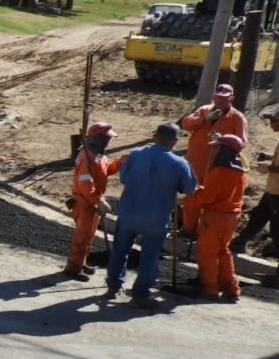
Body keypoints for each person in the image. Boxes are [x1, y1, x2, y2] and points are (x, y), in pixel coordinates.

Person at [104, 122, 197, 308]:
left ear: (155, 137)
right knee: (149, 256)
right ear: (175, 141)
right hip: (156, 218)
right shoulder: (180, 163)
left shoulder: (136, 154)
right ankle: (140, 295)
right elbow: (189, 188)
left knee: (120, 251)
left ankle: (114, 286)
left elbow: (123, 178)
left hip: (129, 212)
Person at [230, 104, 279, 289]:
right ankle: (238, 244)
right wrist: (270, 157)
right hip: (275, 189)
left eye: (273, 120)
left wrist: (270, 168)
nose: (270, 123)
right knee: (257, 218)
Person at [178, 82, 247, 234]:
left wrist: (224, 139)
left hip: (217, 166)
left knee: (210, 199)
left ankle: (203, 230)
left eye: (224, 98)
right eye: (217, 98)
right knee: (191, 197)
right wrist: (204, 119)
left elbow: (241, 142)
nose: (220, 101)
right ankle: (188, 228)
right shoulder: (204, 110)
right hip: (196, 163)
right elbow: (186, 124)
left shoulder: (237, 117)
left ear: (231, 99)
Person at [189, 133, 247, 301]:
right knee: (223, 251)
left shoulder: (220, 172)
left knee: (207, 253)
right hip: (231, 217)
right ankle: (231, 288)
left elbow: (207, 197)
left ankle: (210, 288)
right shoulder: (241, 173)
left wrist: (195, 191)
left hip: (214, 216)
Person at [64, 122, 125, 281]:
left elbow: (105, 172)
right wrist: (99, 200)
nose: (109, 141)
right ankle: (73, 268)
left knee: (89, 235)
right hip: (84, 202)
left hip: (91, 202)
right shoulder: (87, 158)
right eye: (106, 138)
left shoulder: (98, 156)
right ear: (98, 138)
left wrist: (119, 162)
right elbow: (86, 185)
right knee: (82, 236)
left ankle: (80, 262)